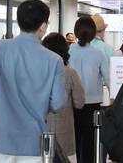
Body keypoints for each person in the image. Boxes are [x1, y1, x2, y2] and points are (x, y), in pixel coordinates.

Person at [0, 0, 66, 163]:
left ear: (17, 22)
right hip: (34, 144)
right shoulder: (54, 60)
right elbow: (58, 104)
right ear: (44, 26)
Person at [69, 16, 110, 163]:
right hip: (92, 108)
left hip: (71, 105)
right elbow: (109, 79)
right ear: (93, 34)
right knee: (90, 147)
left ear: (76, 32)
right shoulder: (99, 54)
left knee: (73, 146)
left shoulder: (68, 52)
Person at [43, 33, 86, 163]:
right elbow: (79, 103)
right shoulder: (70, 73)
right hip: (65, 134)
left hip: (41, 134)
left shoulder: (37, 71)